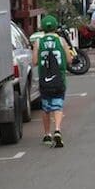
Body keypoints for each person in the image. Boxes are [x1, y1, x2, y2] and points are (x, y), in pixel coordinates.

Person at [32, 15, 74, 148]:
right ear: (56, 27)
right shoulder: (61, 40)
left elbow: (34, 61)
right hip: (59, 77)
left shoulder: (38, 42)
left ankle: (47, 134)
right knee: (58, 105)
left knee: (46, 107)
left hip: (44, 78)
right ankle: (57, 129)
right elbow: (69, 60)